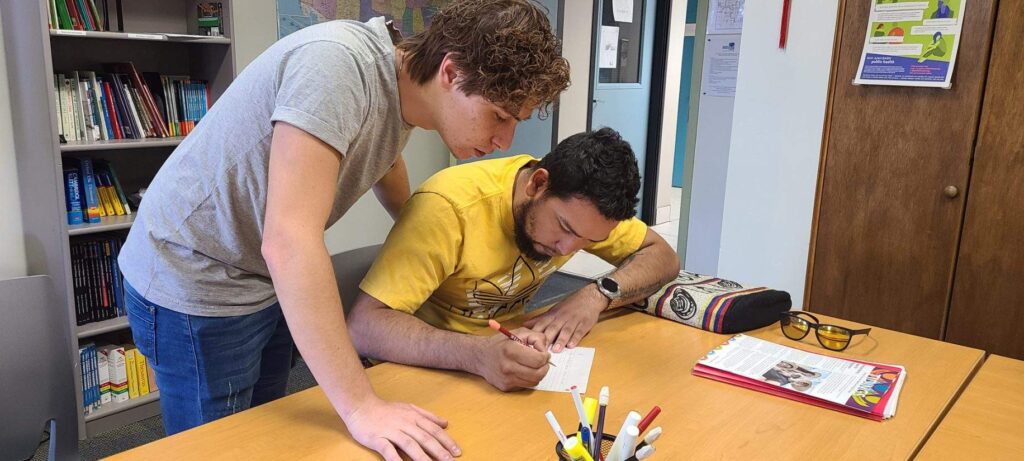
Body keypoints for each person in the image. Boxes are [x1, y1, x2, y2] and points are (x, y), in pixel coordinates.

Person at [116, 0, 570, 459]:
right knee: (220, 447)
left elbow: (384, 155)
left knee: (265, 430)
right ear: (451, 72)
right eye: (500, 115)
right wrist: (361, 407)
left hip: (257, 274)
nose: (505, 142)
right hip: (196, 274)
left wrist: (415, 236)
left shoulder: (404, 89)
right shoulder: (337, 67)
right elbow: (289, 242)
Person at [347, 128, 680, 391]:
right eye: (563, 227)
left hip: (503, 360)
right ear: (538, 184)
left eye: (588, 241)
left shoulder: (583, 212)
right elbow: (364, 327)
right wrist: (477, 355)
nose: (567, 249)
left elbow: (663, 256)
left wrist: (597, 295)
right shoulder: (449, 208)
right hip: (414, 370)